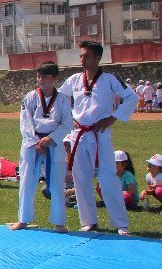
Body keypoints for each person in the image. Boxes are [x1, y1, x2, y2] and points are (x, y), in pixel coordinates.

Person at [58, 41, 138, 234]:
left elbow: (132, 97)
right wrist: (69, 118)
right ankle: (89, 221)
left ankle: (120, 224)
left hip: (100, 134)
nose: (82, 60)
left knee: (108, 178)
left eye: (86, 56)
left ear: (97, 58)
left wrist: (114, 117)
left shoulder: (110, 79)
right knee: (81, 179)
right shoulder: (74, 79)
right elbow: (59, 98)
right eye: (81, 56)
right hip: (79, 136)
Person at [10, 61, 73, 232]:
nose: (40, 79)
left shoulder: (62, 100)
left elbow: (67, 123)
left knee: (57, 184)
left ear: (54, 79)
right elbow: (25, 122)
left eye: (45, 76)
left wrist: (51, 138)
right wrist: (35, 142)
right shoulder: (29, 97)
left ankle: (59, 222)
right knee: (27, 181)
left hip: (54, 144)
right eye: (38, 76)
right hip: (32, 144)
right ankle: (23, 219)